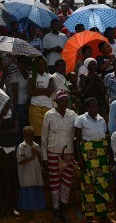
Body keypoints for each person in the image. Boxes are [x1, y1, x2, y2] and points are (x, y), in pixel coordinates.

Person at [74, 97, 111, 223]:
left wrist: (109, 157)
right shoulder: (80, 119)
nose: (95, 108)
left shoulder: (102, 120)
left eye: (96, 106)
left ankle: (102, 214)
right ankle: (89, 215)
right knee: (89, 186)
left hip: (102, 157)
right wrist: (79, 158)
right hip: (88, 156)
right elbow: (77, 141)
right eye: (92, 106)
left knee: (103, 185)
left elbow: (105, 139)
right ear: (87, 108)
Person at [41, 89, 76, 221]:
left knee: (66, 185)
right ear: (56, 101)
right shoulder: (49, 115)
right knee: (54, 185)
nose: (64, 103)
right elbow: (44, 138)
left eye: (66, 101)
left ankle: (64, 212)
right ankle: (55, 212)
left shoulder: (73, 115)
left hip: (68, 155)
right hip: (52, 154)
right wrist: (44, 157)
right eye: (62, 101)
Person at [0, 96, 20, 218]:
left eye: (7, 103)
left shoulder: (14, 114)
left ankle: (12, 207)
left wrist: (1, 132)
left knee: (11, 180)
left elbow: (16, 130)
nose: (5, 105)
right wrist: (1, 118)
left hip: (10, 149)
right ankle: (2, 208)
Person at [17, 125, 45, 223]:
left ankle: (33, 216)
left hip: (36, 176)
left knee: (35, 198)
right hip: (26, 177)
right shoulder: (21, 146)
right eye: (28, 136)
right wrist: (32, 157)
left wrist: (35, 152)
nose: (30, 138)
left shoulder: (36, 145)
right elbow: (20, 160)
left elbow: (42, 156)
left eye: (31, 136)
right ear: (24, 135)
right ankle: (27, 217)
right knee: (27, 199)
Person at [28, 56, 54, 136]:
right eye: (39, 64)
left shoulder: (50, 76)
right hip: (35, 106)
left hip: (48, 106)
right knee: (36, 133)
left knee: (48, 132)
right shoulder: (32, 76)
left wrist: (37, 89)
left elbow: (51, 90)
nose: (41, 65)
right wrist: (45, 91)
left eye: (43, 63)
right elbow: (30, 91)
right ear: (36, 65)